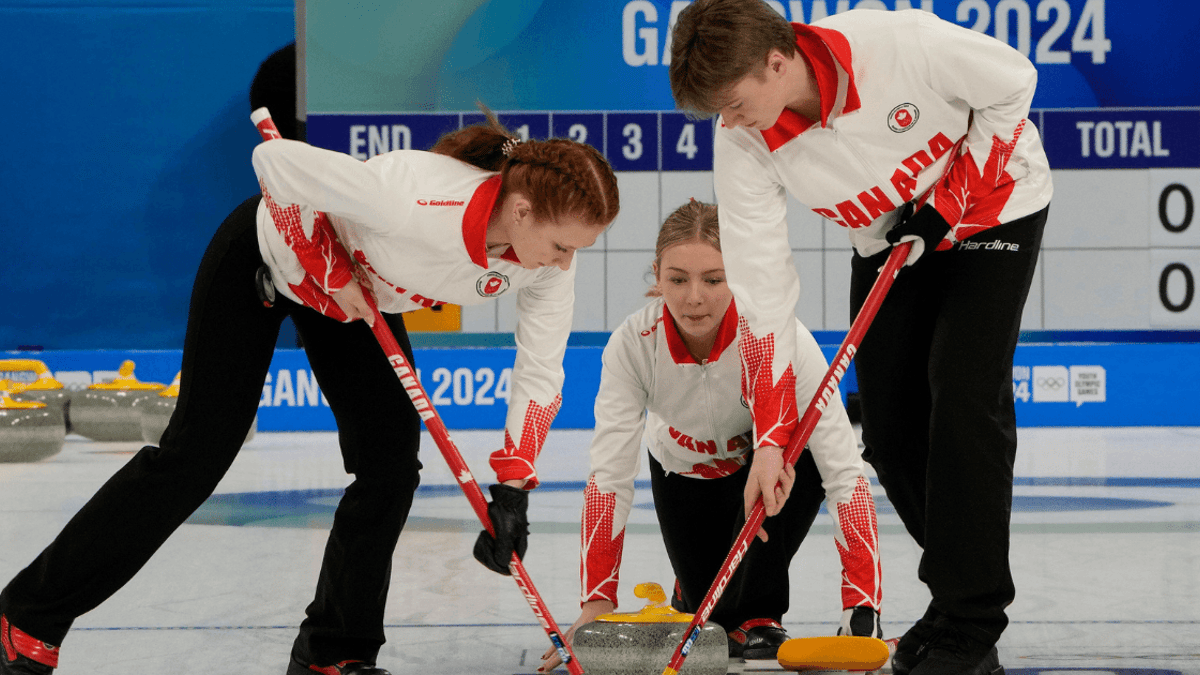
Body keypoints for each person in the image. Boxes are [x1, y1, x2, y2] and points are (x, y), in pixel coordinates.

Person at [0, 109, 620, 675]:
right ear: (521, 210)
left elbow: (541, 370)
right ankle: (24, 618)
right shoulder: (411, 197)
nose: (566, 264)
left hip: (355, 300)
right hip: (266, 258)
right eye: (563, 245)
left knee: (389, 468)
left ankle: (334, 651)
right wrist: (323, 266)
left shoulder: (538, 265)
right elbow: (274, 163)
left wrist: (512, 488)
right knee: (195, 457)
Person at [668, 3, 1052, 675]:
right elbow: (763, 297)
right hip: (890, 237)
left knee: (962, 390)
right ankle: (960, 586)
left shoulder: (898, 43)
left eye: (731, 103)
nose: (725, 123)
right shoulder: (744, 142)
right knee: (890, 426)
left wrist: (949, 204)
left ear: (776, 62)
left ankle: (970, 616)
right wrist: (770, 437)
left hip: (994, 207)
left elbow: (1013, 81)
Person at [540, 201, 883, 673]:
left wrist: (861, 607)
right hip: (682, 473)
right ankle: (694, 589)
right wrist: (596, 600)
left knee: (794, 459)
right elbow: (609, 478)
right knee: (709, 612)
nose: (693, 297)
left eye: (714, 279)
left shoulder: (781, 338)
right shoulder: (632, 345)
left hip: (768, 471)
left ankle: (762, 613)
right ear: (657, 276)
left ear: (737, 276)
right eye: (677, 279)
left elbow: (845, 472)